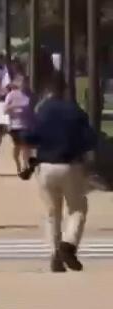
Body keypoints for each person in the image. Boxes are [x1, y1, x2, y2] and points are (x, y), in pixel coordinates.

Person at [23, 72, 97, 272]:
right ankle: (68, 244)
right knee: (77, 208)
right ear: (65, 89)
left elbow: (30, 137)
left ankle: (54, 254)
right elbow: (90, 139)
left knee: (51, 213)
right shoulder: (75, 111)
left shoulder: (42, 111)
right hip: (70, 165)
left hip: (45, 167)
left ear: (47, 91)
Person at [3, 79, 33, 178]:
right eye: (21, 82)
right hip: (14, 126)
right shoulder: (11, 95)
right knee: (17, 147)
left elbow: (33, 110)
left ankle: (25, 166)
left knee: (26, 146)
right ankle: (18, 165)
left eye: (25, 82)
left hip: (26, 125)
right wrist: (14, 106)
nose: (24, 84)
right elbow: (5, 110)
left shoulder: (30, 95)